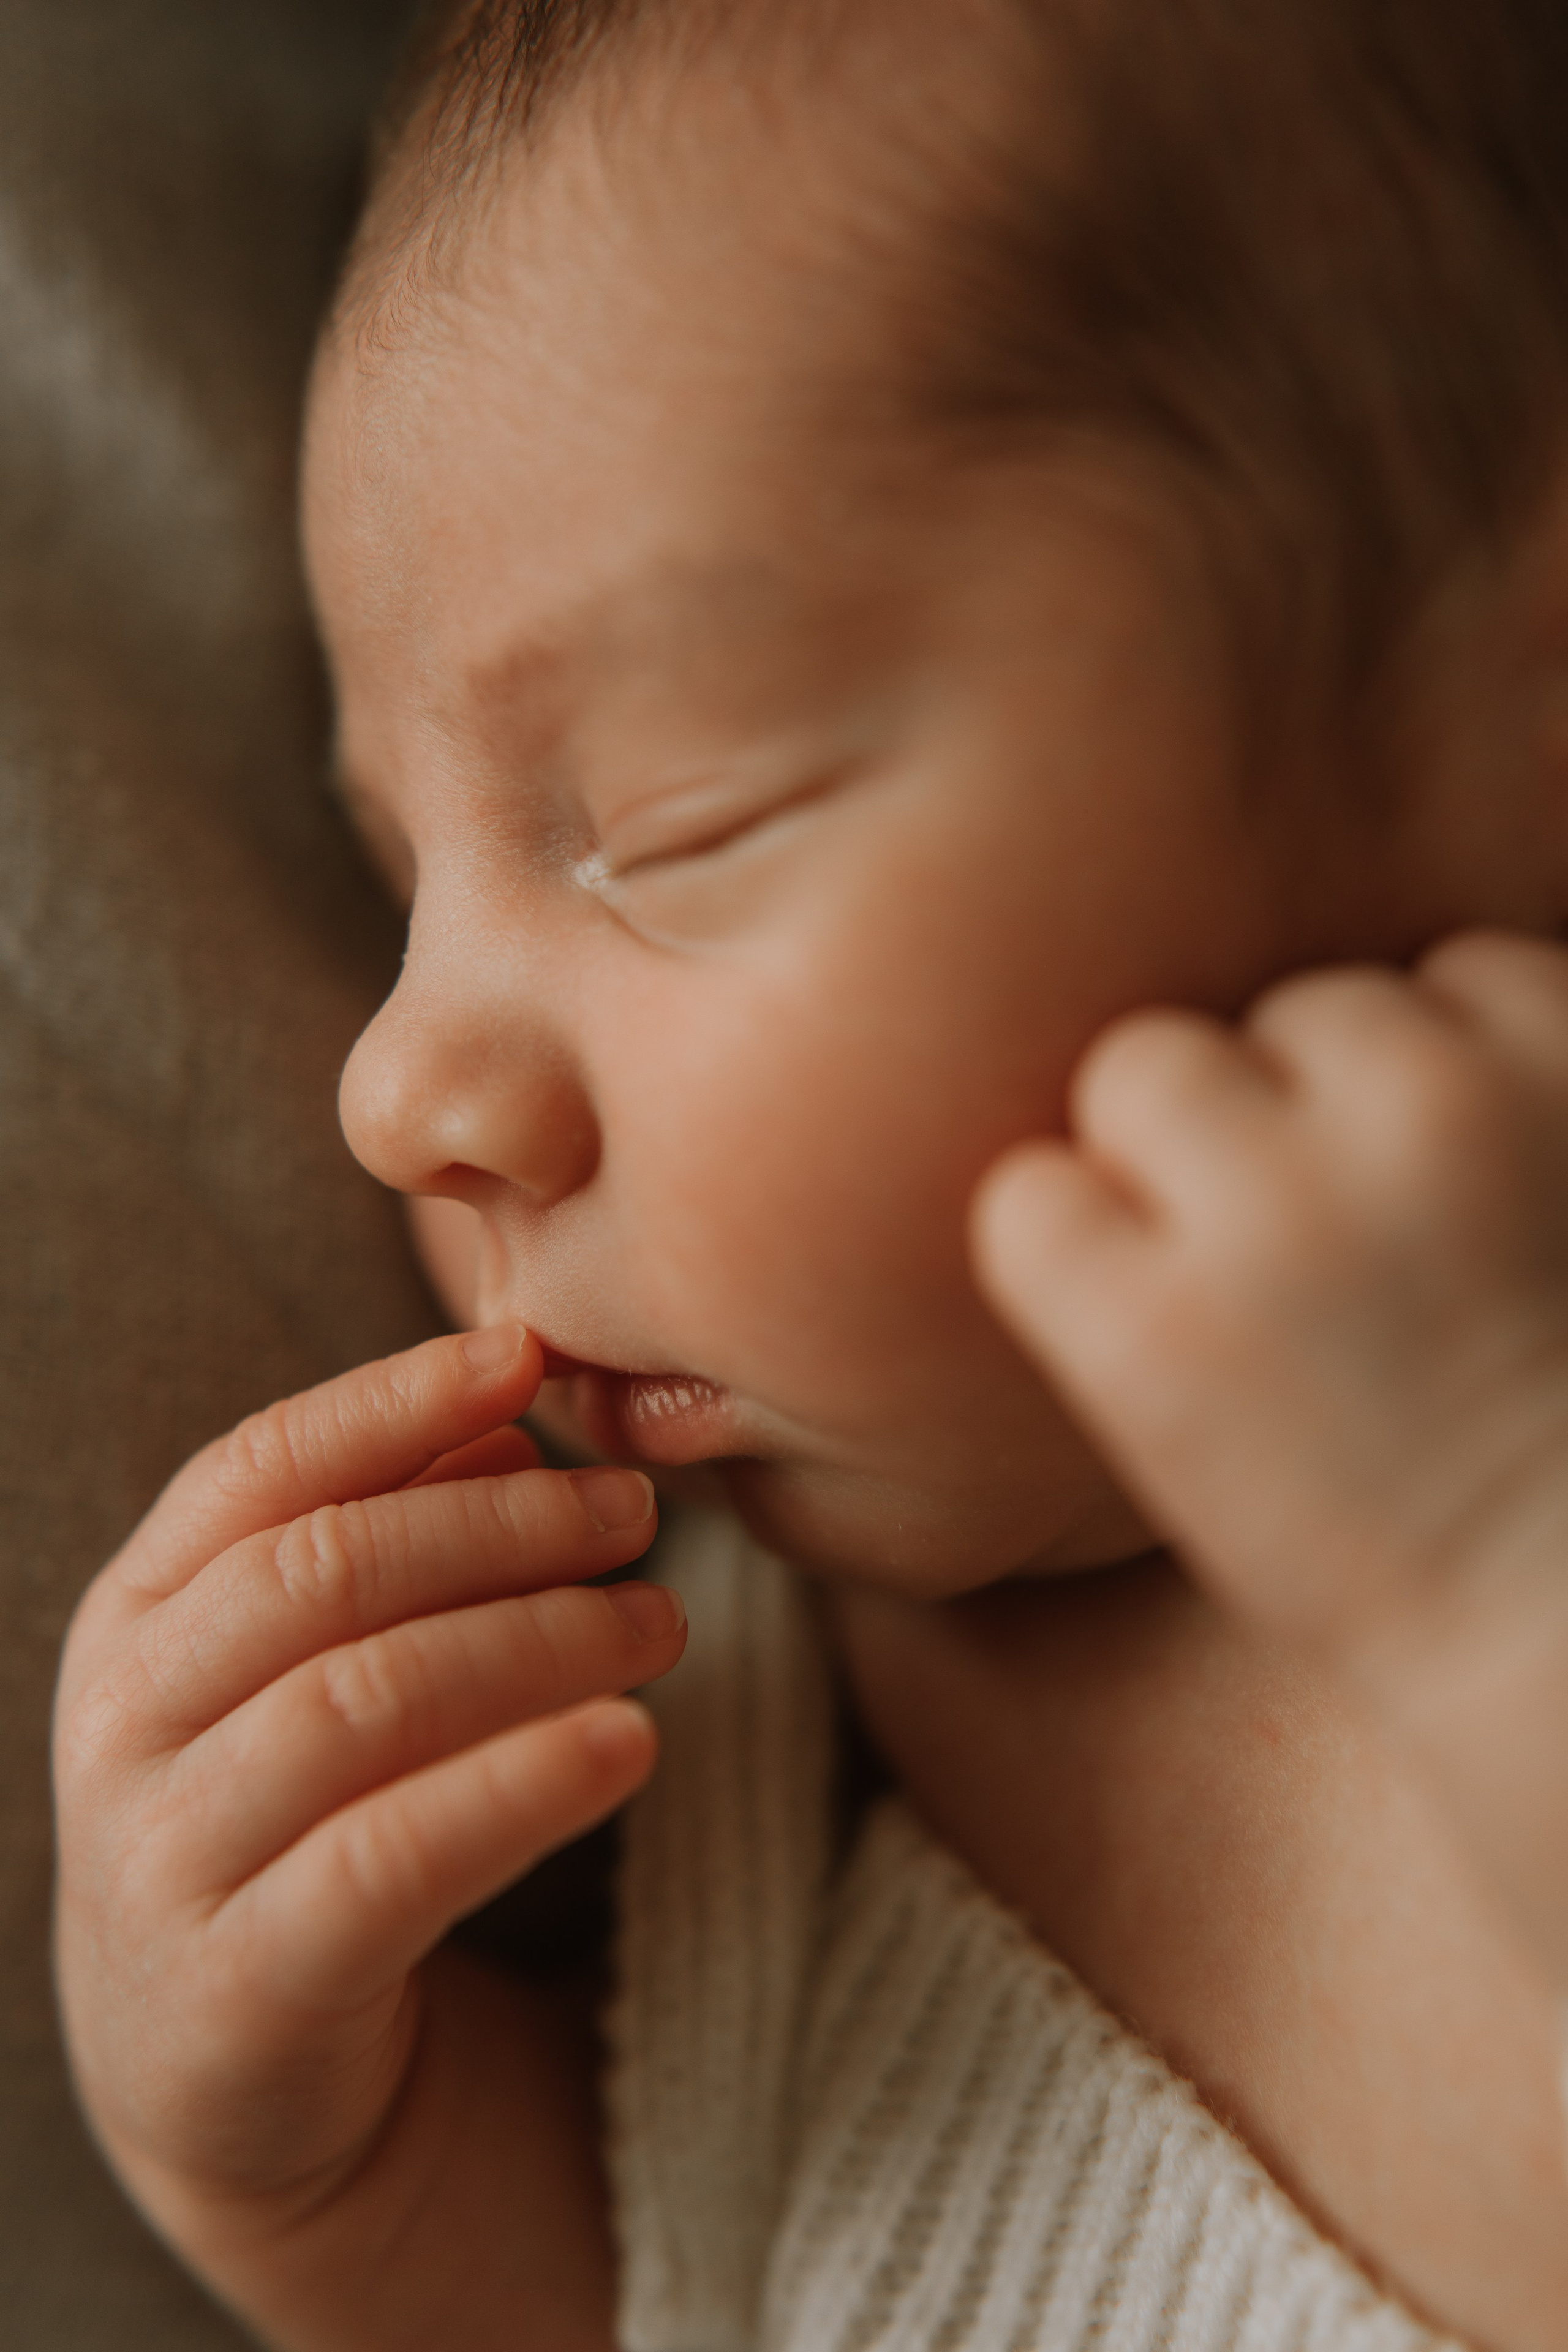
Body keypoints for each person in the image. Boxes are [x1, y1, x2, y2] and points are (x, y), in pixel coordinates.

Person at [49, 1, 1568, 2343]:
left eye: (670, 829)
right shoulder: (736, 1702)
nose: (396, 1085)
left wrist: (1496, 1552)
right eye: (396, 890)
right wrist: (310, 2171)